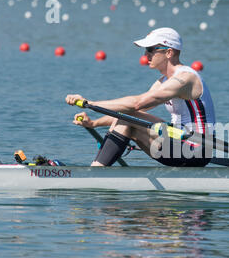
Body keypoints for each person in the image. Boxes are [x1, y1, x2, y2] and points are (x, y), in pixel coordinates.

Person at [65, 27, 216, 167]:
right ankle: (99, 169)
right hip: (179, 141)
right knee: (128, 118)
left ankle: (96, 171)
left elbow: (136, 104)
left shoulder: (185, 79)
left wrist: (89, 103)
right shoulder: (164, 81)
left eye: (150, 50)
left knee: (128, 116)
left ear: (169, 52)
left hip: (197, 149)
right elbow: (131, 112)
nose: (145, 55)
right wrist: (94, 123)